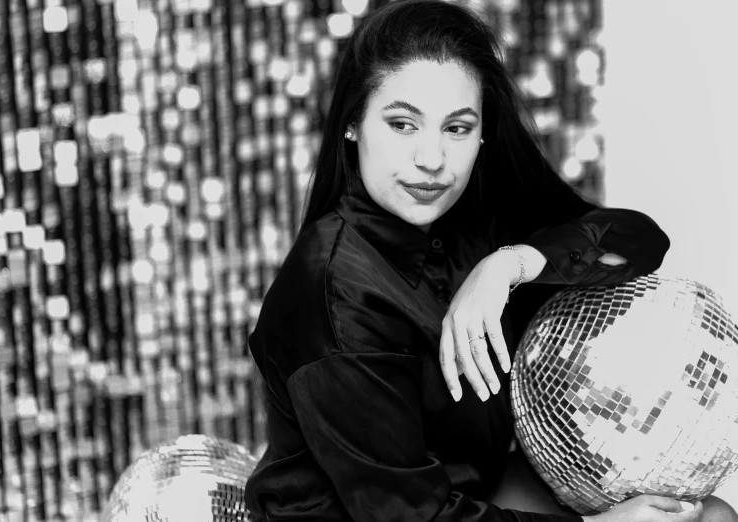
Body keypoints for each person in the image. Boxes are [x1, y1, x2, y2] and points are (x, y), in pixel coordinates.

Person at [244, 0, 738, 520]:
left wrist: (511, 264)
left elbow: (639, 241)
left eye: (455, 128)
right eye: (402, 124)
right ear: (352, 125)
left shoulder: (471, 217)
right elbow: (409, 515)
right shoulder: (334, 293)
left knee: (708, 515)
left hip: (472, 483)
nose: (432, 160)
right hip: (376, 514)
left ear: (482, 133)